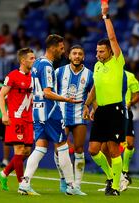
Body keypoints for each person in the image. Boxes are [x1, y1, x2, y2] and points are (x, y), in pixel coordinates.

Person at [18, 34, 84, 195]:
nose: (63, 50)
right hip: (50, 111)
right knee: (63, 146)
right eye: (61, 48)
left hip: (38, 111)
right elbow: (47, 92)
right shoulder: (47, 66)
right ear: (53, 47)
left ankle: (24, 183)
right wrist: (65, 99)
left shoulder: (37, 63)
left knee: (40, 147)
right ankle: (70, 186)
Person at [83, 1, 125, 196]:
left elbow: (113, 37)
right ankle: (111, 177)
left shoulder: (117, 60)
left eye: (101, 51)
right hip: (101, 111)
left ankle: (115, 187)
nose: (97, 54)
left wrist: (105, 16)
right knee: (93, 150)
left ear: (109, 50)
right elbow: (95, 88)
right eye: (97, 51)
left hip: (115, 110)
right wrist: (88, 105)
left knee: (114, 149)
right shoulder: (97, 67)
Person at [0, 48, 35, 191]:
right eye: (31, 58)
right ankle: (22, 185)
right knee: (19, 150)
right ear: (23, 61)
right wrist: (4, 114)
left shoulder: (34, 76)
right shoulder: (12, 76)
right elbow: (1, 95)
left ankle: (3, 173)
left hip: (29, 119)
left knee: (26, 152)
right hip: (16, 118)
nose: (34, 61)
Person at [55, 45, 93, 192]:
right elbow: (50, 91)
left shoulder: (89, 75)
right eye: (74, 53)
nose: (77, 56)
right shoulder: (59, 72)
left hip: (79, 116)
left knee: (79, 149)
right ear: (69, 56)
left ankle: (77, 185)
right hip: (61, 115)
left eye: (80, 54)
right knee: (60, 150)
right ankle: (63, 179)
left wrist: (93, 108)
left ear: (83, 57)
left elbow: (92, 93)